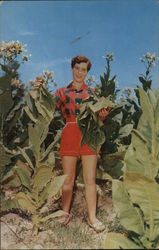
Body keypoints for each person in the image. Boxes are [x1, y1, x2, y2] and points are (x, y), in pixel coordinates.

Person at [36, 55, 108, 233]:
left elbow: (99, 120)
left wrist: (102, 117)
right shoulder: (62, 92)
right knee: (67, 180)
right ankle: (64, 214)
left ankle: (92, 218)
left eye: (83, 69)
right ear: (72, 69)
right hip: (69, 133)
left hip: (89, 136)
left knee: (90, 180)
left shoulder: (92, 94)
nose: (79, 72)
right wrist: (42, 90)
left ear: (87, 72)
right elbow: (48, 107)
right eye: (77, 68)